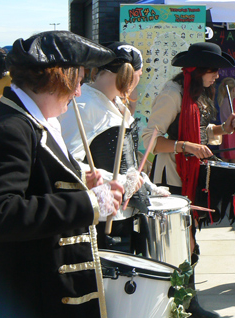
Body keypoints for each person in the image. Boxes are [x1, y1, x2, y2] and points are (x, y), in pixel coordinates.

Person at [0, 31, 124, 318]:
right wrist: (89, 203)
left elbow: (40, 182)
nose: (79, 92)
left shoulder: (31, 119)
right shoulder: (11, 127)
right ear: (59, 78)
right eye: (78, 81)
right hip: (30, 299)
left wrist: (80, 186)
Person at [142, 42, 235, 318]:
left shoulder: (197, 94)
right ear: (198, 70)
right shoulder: (173, 94)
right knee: (182, 244)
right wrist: (185, 146)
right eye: (213, 70)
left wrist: (223, 128)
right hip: (170, 179)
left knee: (189, 241)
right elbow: (149, 139)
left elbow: (200, 131)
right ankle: (184, 304)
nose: (217, 76)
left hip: (190, 176)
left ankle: (185, 302)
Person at [59, 42, 153, 255]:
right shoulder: (84, 107)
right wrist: (118, 180)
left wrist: (142, 181)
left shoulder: (115, 103)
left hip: (124, 214)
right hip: (99, 220)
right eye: (139, 74)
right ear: (131, 75)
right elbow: (65, 164)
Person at [217, 77, 235, 163]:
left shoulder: (221, 101)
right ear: (234, 89)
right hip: (234, 135)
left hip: (223, 133)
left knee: (224, 160)